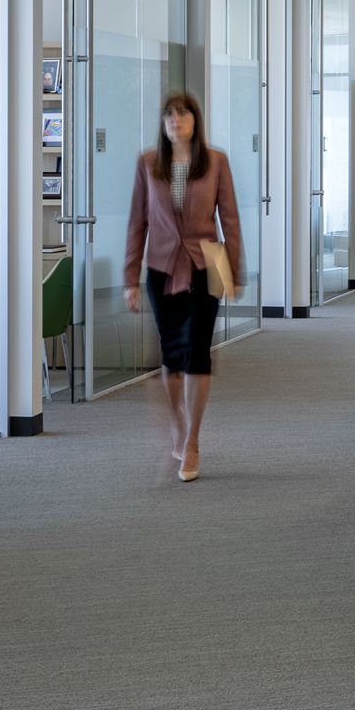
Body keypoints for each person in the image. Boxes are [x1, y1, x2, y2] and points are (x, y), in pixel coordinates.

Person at [124, 91, 244, 482]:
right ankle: (178, 424)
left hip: (205, 267)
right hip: (161, 269)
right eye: (169, 115)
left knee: (197, 353)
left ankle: (192, 441)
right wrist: (130, 278)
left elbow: (230, 219)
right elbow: (137, 223)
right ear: (163, 124)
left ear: (195, 119)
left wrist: (235, 272)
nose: (175, 120)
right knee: (172, 355)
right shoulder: (148, 163)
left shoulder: (216, 162)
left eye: (183, 113)